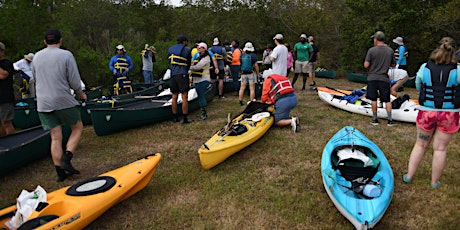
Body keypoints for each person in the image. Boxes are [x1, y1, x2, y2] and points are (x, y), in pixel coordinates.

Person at [402, 37, 460, 189]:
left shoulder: (424, 67)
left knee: (420, 144)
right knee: (440, 148)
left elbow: (418, 85)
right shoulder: (458, 70)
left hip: (427, 112)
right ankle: (434, 182)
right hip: (449, 115)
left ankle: (409, 176)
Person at [32, 29, 87, 182]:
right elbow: (74, 80)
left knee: (55, 137)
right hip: (62, 100)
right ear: (60, 40)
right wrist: (80, 93)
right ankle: (67, 159)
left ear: (45, 42)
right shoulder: (66, 55)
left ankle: (60, 174)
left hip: (43, 102)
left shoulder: (36, 57)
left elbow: (34, 78)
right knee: (77, 127)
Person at [364, 31, 395, 126]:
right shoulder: (390, 51)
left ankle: (374, 119)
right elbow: (393, 64)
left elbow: (366, 65)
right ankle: (390, 120)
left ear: (376, 39)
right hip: (384, 78)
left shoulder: (371, 50)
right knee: (387, 99)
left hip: (372, 77)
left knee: (373, 99)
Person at [167, 34, 193, 124]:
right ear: (184, 42)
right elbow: (189, 62)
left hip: (173, 74)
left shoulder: (170, 49)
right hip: (182, 74)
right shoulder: (187, 49)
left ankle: (175, 117)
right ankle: (185, 119)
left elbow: (169, 62)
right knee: (184, 96)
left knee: (174, 96)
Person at [189, 42, 211, 120]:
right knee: (199, 96)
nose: (198, 48)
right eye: (198, 47)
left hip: (203, 79)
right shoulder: (199, 57)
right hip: (198, 80)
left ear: (204, 49)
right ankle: (202, 112)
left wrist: (189, 66)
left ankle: (204, 114)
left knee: (201, 96)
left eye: (200, 47)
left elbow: (198, 67)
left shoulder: (206, 58)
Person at [0, 42, 15, 136]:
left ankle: (12, 142)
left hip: (5, 97)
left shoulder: (7, 63)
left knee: (6, 122)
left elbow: (3, 75)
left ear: (2, 52)